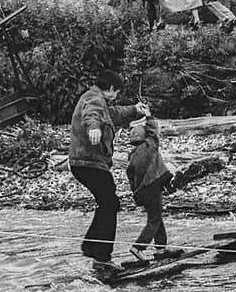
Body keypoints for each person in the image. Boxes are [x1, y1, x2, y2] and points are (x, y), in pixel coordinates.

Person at [69, 69, 150, 272]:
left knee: (108, 203)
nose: (116, 97)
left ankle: (92, 247)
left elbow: (112, 114)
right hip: (89, 163)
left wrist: (134, 109)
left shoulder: (95, 98)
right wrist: (94, 128)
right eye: (117, 93)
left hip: (85, 163)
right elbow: (92, 116)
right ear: (112, 89)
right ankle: (101, 257)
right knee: (110, 204)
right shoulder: (94, 100)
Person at [126, 115, 175, 262]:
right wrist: (149, 117)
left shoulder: (132, 156)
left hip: (142, 192)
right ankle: (138, 247)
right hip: (152, 188)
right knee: (154, 220)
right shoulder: (149, 146)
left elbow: (131, 178)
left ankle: (161, 248)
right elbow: (154, 131)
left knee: (156, 217)